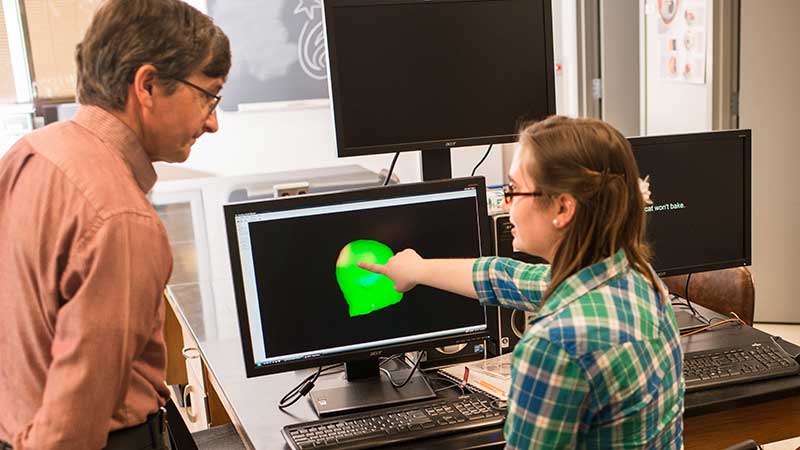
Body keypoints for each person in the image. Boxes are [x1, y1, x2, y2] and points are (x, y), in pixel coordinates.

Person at [360, 116, 684, 449]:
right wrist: (416, 269)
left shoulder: (556, 344)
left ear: (562, 207)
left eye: (514, 189)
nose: (505, 202)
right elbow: (505, 278)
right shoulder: (638, 277)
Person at [0, 1, 230, 449]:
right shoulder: (122, 219)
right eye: (208, 94)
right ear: (147, 86)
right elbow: (72, 429)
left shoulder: (28, 153)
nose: (213, 121)